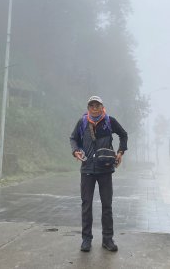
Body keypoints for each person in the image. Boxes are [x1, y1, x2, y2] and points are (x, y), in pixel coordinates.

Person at [69, 95, 128, 252]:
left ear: (102, 107)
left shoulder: (109, 121)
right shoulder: (82, 122)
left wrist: (121, 152)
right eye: (92, 105)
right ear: (88, 108)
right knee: (86, 205)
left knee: (107, 205)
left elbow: (123, 134)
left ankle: (107, 239)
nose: (95, 108)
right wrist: (75, 151)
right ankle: (86, 239)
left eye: (97, 105)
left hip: (105, 169)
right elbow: (73, 138)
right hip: (87, 168)